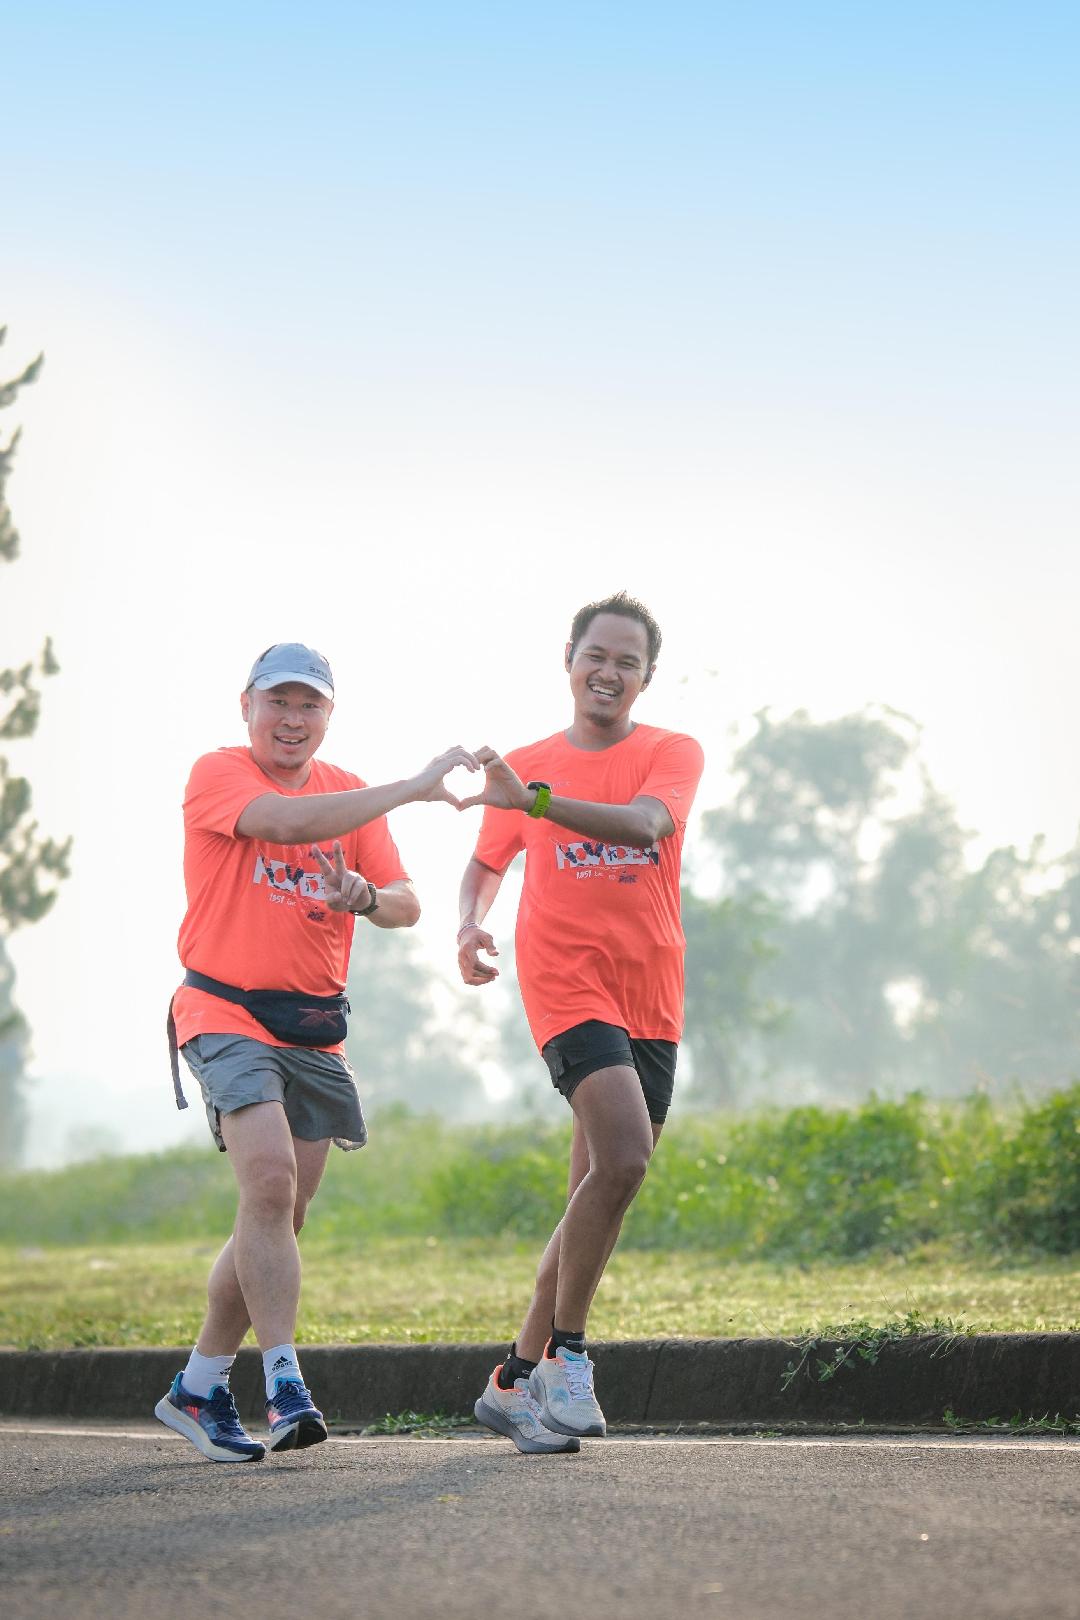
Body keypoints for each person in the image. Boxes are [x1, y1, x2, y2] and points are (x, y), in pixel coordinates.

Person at [156, 642, 477, 1463]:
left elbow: (407, 903)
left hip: (314, 1027)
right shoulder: (217, 773)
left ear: (328, 715)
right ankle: (286, 1382)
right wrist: (411, 787)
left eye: (310, 706)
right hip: (223, 1008)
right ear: (248, 707)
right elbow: (284, 823)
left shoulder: (350, 795)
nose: (293, 720)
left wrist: (366, 896)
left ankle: (198, 1386)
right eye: (279, 703)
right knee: (268, 1182)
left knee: (280, 1216)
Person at [456, 592, 704, 1453]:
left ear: (645, 677)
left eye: (626, 661)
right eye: (595, 654)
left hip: (651, 991)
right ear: (569, 659)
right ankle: (568, 1356)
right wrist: (469, 921)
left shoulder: (671, 752)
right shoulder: (522, 766)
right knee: (626, 1159)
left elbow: (644, 828)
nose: (608, 671)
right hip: (566, 983)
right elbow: (487, 861)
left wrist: (538, 802)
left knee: (591, 1199)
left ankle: (511, 1383)